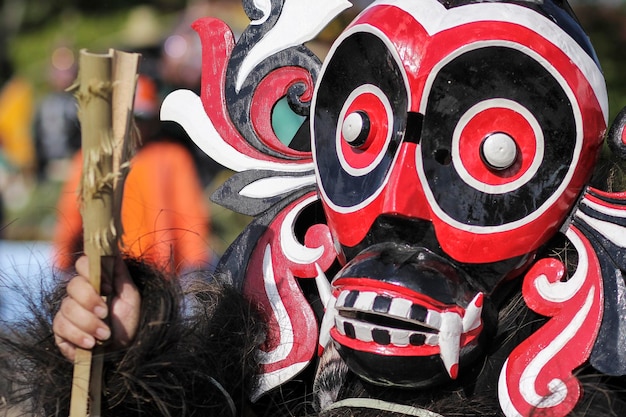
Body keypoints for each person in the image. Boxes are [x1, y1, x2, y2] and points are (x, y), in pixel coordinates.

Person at [53, 74, 213, 275]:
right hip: (104, 274)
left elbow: (191, 217)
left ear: (153, 120)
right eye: (128, 118)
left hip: (157, 275)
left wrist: (195, 266)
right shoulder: (91, 157)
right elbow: (70, 217)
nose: (134, 126)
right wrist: (62, 264)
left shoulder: (172, 158)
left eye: (140, 119)